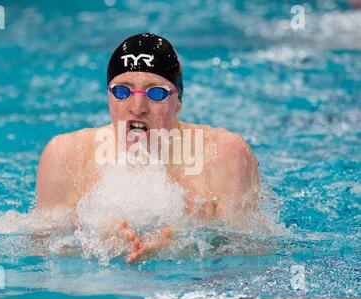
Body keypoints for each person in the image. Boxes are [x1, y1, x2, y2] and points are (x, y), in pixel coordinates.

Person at [36, 33, 262, 263]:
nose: (137, 108)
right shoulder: (65, 156)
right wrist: (95, 242)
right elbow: (40, 254)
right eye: (122, 91)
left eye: (156, 93)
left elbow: (252, 254)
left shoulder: (225, 156)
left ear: (179, 101)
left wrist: (180, 246)